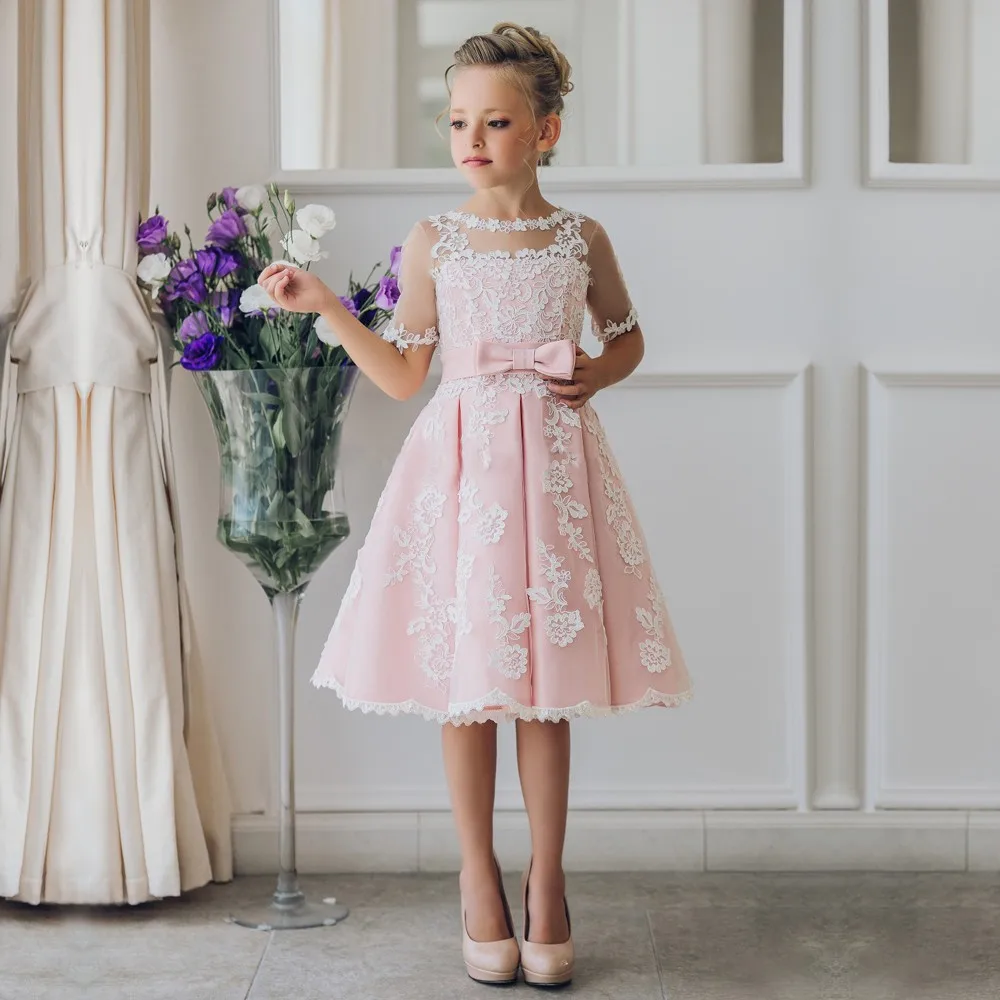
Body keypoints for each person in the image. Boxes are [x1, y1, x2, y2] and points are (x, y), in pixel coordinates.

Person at [258, 21, 693, 988]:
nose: (473, 138)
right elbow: (407, 378)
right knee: (470, 681)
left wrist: (593, 370)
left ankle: (547, 880)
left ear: (546, 131)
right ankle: (476, 878)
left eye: (497, 120)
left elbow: (626, 338)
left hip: (554, 468)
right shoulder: (435, 240)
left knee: (544, 685)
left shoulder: (582, 237)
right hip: (461, 477)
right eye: (459, 120)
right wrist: (329, 307)